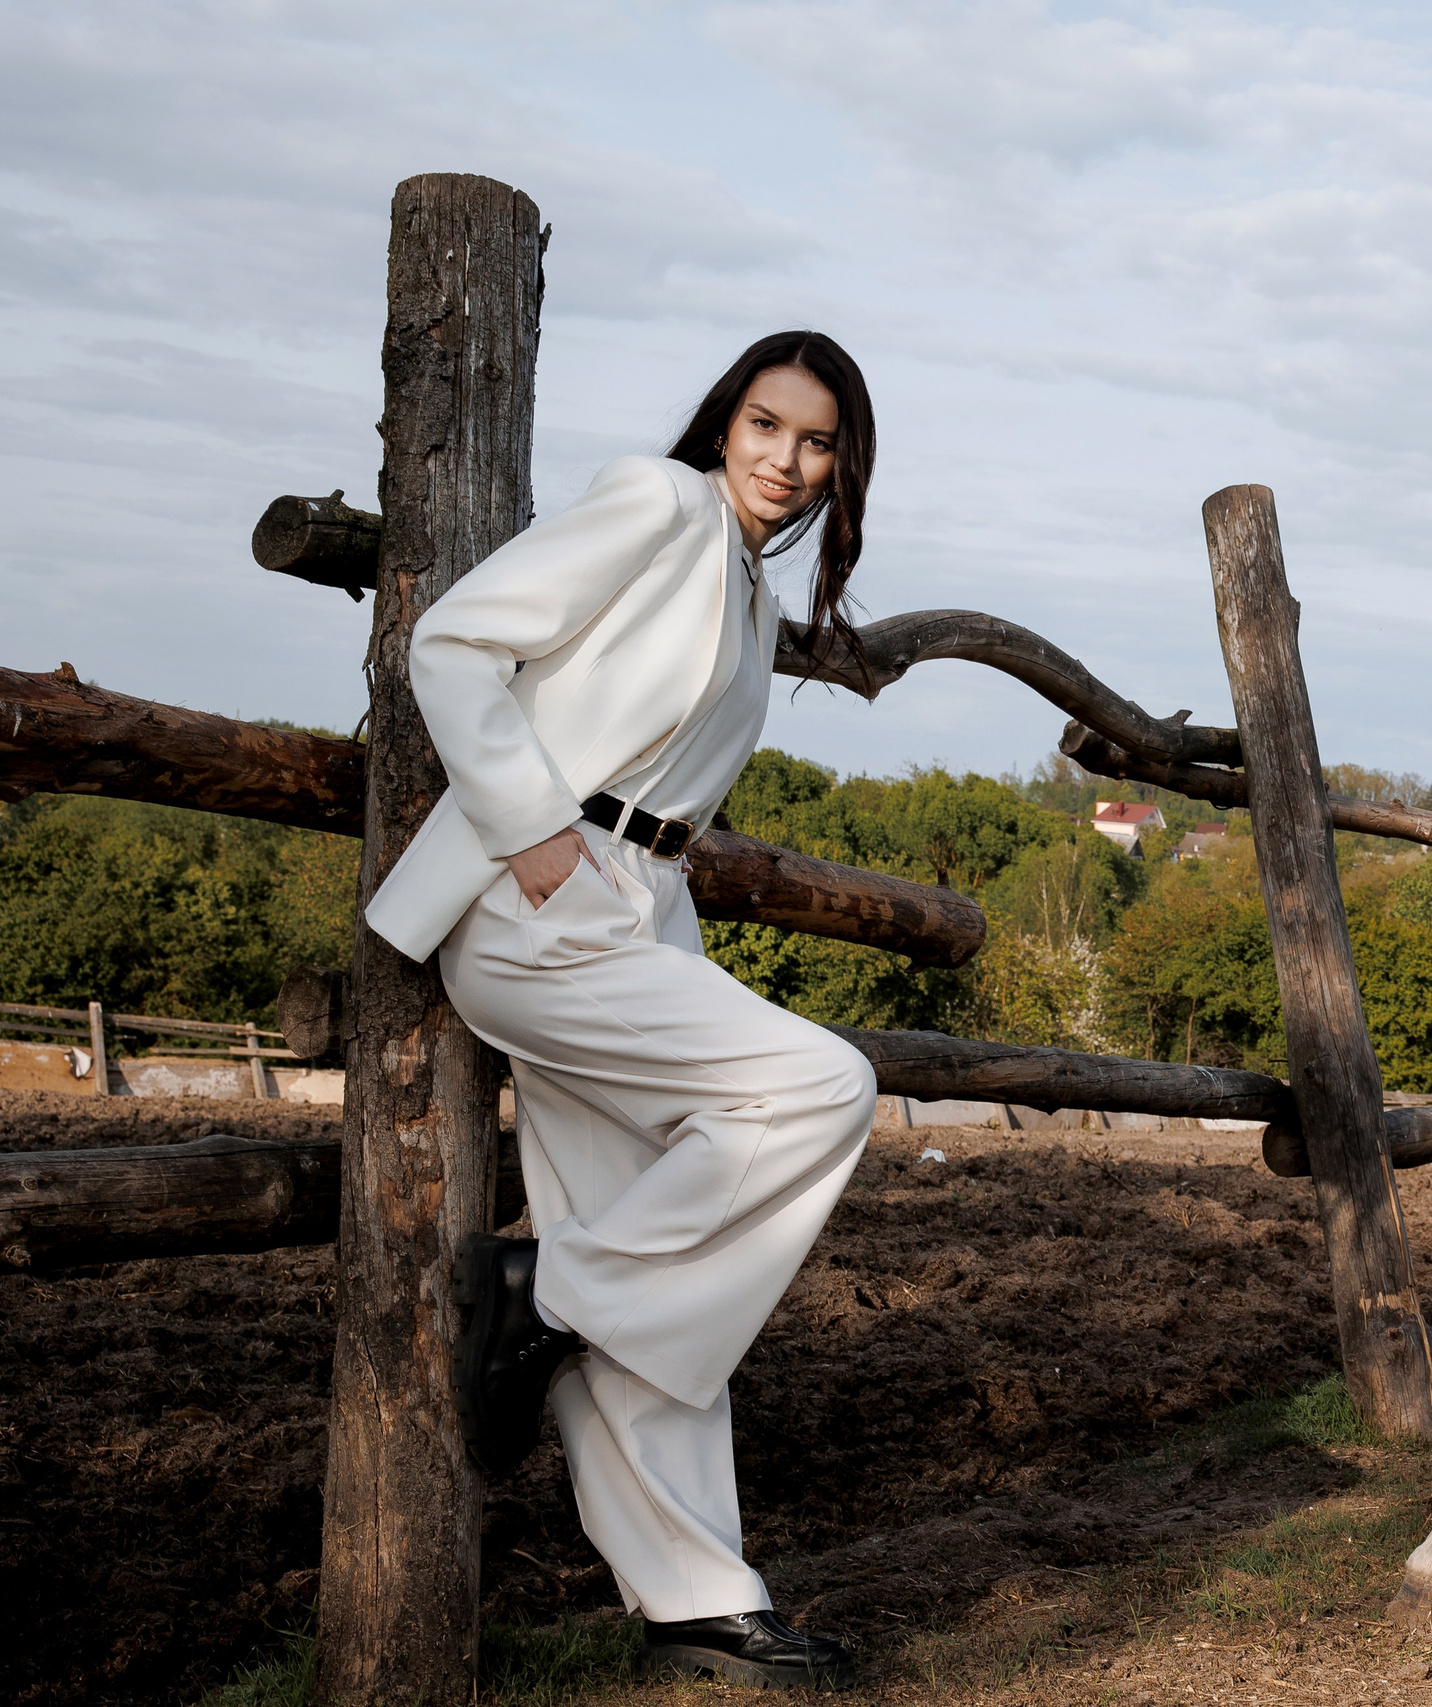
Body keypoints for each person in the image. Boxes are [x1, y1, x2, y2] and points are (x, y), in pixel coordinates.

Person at [363, 331, 881, 1691]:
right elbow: (455, 639)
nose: (787, 458)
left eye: (817, 440)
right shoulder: (659, 504)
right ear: (727, 422)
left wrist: (634, 890)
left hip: (640, 906)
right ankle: (548, 1291)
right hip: (545, 903)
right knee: (820, 1086)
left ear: (844, 464)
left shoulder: (752, 581)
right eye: (767, 424)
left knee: (662, 1272)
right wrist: (535, 831)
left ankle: (697, 1598)